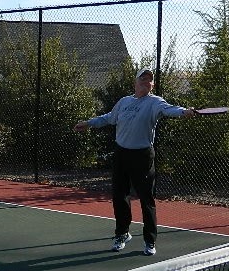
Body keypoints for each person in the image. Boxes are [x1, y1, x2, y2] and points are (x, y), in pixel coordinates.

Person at [74, 68, 195, 256]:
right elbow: (108, 118)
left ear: (152, 85)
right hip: (121, 154)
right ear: (135, 82)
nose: (146, 82)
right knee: (119, 196)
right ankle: (122, 234)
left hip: (143, 156)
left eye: (149, 80)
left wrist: (184, 112)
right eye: (143, 79)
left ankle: (149, 241)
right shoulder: (124, 102)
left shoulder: (155, 102)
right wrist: (89, 123)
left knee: (147, 199)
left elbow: (170, 109)